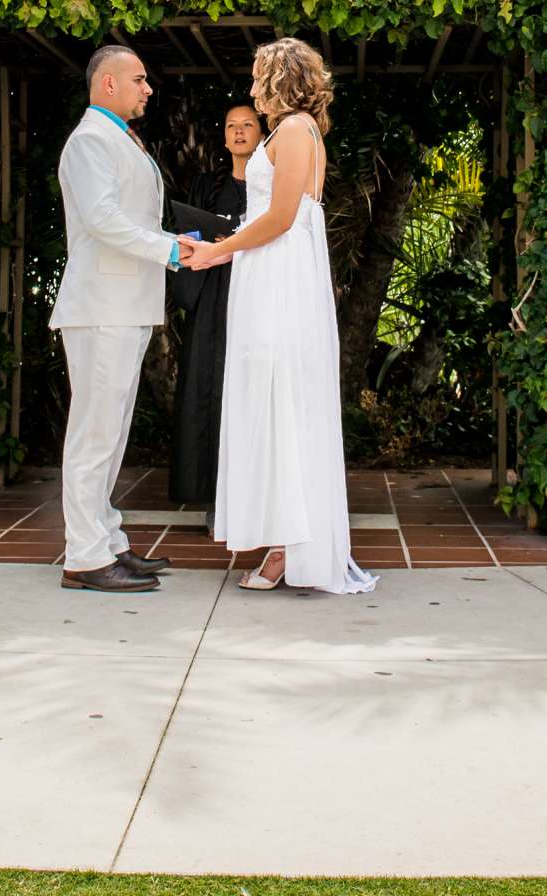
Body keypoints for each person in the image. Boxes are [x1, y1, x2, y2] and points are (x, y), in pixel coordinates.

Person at [198, 38, 374, 595]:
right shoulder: (289, 132)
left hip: (281, 282)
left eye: (257, 77)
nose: (251, 88)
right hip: (268, 276)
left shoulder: (297, 130)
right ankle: (283, 542)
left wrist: (218, 250)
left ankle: (290, 550)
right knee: (275, 403)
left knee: (285, 404)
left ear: (279, 78)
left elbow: (281, 217)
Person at [47, 46, 182, 592]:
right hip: (101, 307)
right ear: (107, 84)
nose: (147, 89)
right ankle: (83, 556)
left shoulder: (116, 138)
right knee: (94, 436)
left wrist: (173, 243)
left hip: (123, 307)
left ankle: (108, 542)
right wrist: (170, 249)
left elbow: (128, 217)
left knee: (112, 433)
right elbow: (103, 220)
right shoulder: (89, 142)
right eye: (139, 80)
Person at [167, 103, 262, 504]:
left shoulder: (269, 185)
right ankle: (208, 494)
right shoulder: (207, 185)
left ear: (262, 132)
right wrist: (211, 246)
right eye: (231, 126)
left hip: (256, 294)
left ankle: (248, 497)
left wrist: (237, 246)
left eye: (248, 125)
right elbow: (186, 236)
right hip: (212, 295)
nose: (239, 132)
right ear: (223, 137)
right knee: (206, 385)